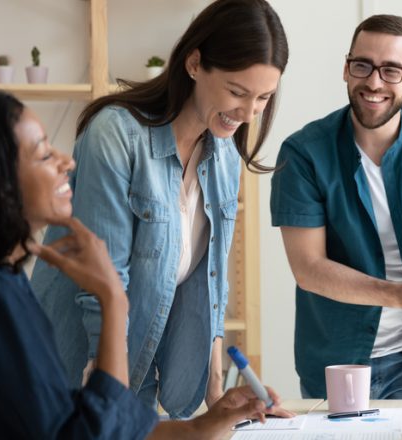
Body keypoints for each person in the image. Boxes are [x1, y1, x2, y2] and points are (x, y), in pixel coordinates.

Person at [0, 89, 285, 439]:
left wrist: (202, 427)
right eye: (42, 154)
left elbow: (71, 421)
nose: (66, 162)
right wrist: (112, 299)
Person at [30, 0, 289, 417]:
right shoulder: (116, 136)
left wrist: (218, 396)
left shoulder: (222, 153)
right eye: (237, 92)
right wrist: (108, 399)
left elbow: (213, 284)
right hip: (74, 372)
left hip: (136, 373)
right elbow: (103, 283)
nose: (248, 112)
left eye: (263, 97)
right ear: (194, 63)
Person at [270, 14, 402, 400]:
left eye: (391, 70)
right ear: (346, 69)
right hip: (336, 360)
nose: (373, 82)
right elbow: (309, 269)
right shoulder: (303, 153)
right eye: (362, 66)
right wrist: (397, 295)